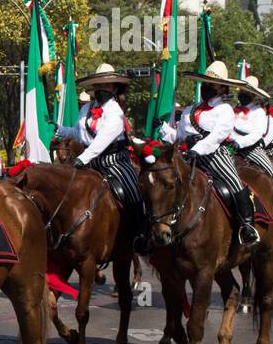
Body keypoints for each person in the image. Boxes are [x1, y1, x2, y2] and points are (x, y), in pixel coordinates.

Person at [159, 61, 259, 246]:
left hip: (214, 156)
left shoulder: (225, 110)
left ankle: (247, 226)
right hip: (188, 155)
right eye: (205, 83)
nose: (207, 87)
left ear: (222, 88)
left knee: (235, 182)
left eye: (211, 85)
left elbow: (216, 136)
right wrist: (166, 131)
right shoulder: (191, 109)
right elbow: (180, 135)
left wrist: (197, 149)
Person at [55, 63, 150, 252]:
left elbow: (102, 140)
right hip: (91, 162)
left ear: (114, 87)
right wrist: (60, 130)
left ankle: (141, 234)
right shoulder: (86, 109)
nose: (101, 89)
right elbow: (79, 132)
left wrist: (83, 158)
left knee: (133, 193)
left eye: (105, 86)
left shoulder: (115, 112)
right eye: (98, 86)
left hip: (115, 161)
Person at [232, 75, 273, 178]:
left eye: (247, 92)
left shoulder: (258, 112)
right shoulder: (232, 110)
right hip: (231, 147)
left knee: (270, 171)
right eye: (242, 91)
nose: (243, 94)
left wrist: (239, 143)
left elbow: (257, 134)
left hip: (251, 148)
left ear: (253, 95)